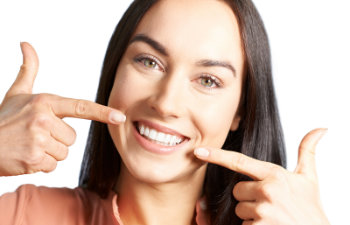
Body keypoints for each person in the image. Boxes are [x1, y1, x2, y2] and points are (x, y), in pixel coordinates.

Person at [0, 0, 331, 224]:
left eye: (208, 80)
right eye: (149, 61)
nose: (166, 103)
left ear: (240, 113)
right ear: (114, 70)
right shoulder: (25, 214)